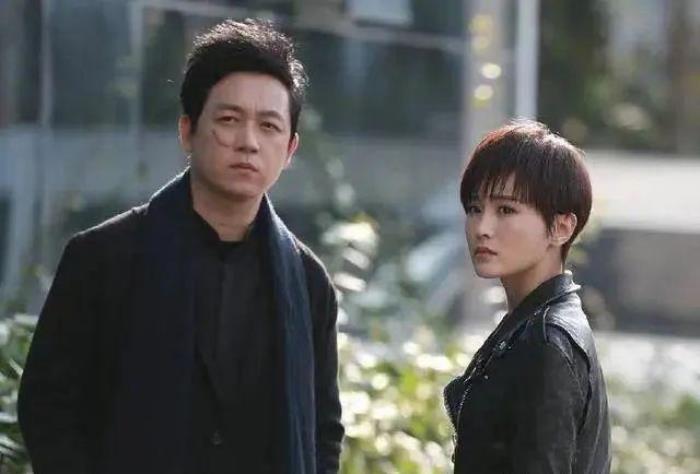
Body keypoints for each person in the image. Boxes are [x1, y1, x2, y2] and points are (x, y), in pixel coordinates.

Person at [18, 19, 344, 474]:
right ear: (187, 130)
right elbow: (48, 410)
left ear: (290, 150)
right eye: (229, 120)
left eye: (269, 126)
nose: (248, 143)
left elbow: (323, 432)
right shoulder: (103, 258)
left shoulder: (308, 283)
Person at [444, 120, 611, 473]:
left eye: (505, 210)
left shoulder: (547, 342)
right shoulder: (532, 326)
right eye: (474, 208)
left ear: (561, 227)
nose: (482, 228)